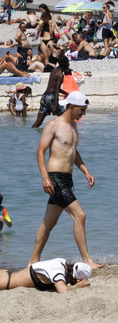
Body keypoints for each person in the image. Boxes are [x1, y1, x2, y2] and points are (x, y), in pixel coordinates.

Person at [31, 91, 100, 268]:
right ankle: (87, 260)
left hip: (67, 179)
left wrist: (85, 170)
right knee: (80, 216)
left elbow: (72, 152)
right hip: (55, 179)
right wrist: (45, 177)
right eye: (81, 110)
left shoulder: (73, 127)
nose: (83, 113)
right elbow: (40, 151)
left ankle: (33, 261)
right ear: (71, 107)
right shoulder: (54, 125)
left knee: (49, 222)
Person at [0, 257, 91, 295]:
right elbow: (63, 291)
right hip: (2, 281)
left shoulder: (62, 262)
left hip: (4, 277)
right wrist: (77, 287)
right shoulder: (57, 272)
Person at [32, 57, 69, 129]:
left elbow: (54, 87)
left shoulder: (54, 71)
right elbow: (57, 90)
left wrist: (66, 93)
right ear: (64, 64)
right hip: (51, 98)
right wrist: (55, 105)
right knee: (65, 118)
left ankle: (30, 135)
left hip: (45, 97)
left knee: (37, 123)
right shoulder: (60, 75)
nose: (68, 64)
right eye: (67, 62)